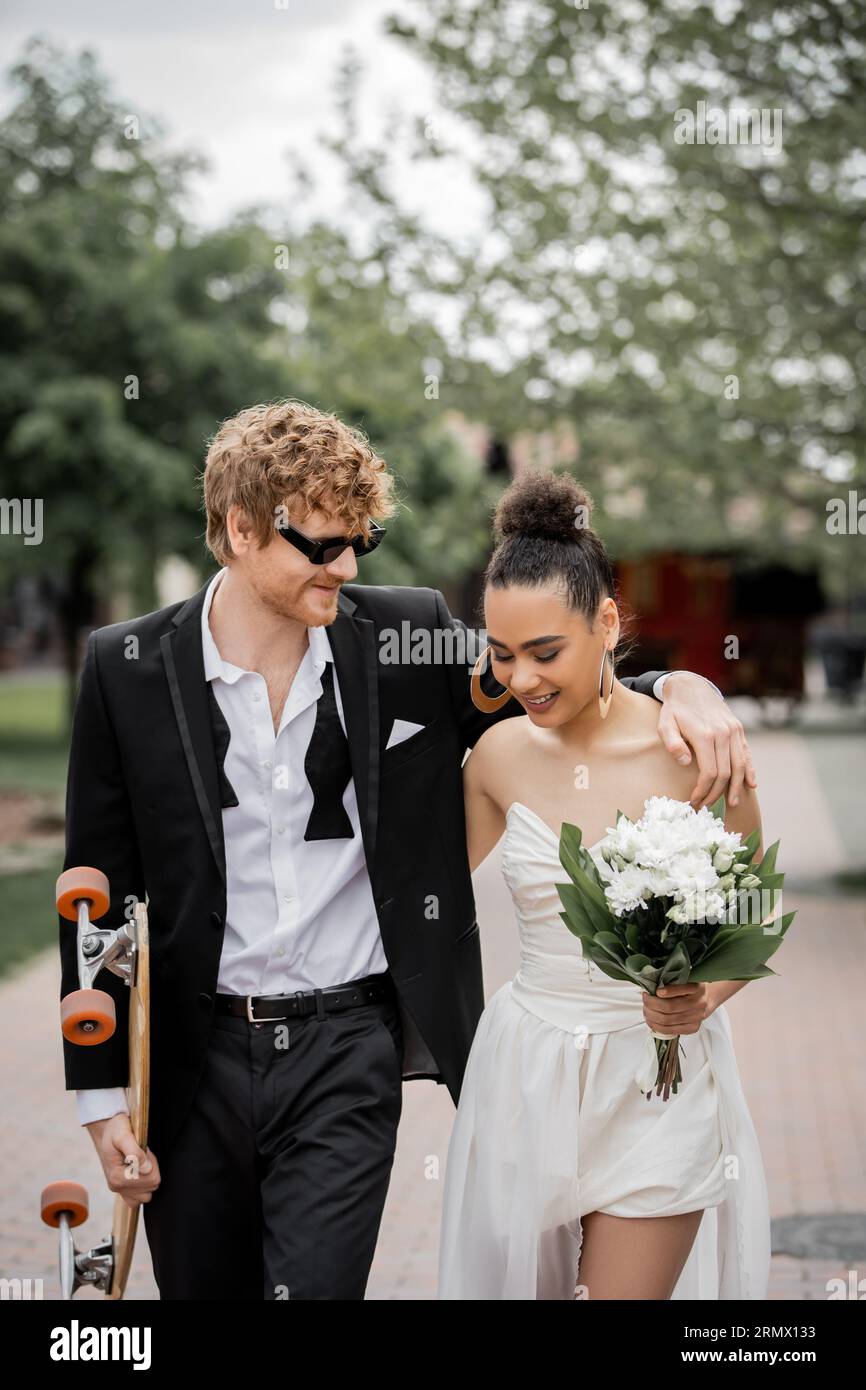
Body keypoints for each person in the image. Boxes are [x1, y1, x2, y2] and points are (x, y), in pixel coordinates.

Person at [60, 398, 755, 1299]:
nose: (345, 566)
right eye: (321, 545)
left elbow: (552, 677)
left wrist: (682, 685)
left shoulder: (405, 635)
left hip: (348, 1050)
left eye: (361, 542)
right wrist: (99, 1101)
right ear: (238, 528)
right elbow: (94, 895)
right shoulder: (125, 669)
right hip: (192, 1061)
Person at [437, 470, 770, 1300]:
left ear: (608, 623)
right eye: (502, 653)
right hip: (527, 1070)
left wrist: (704, 997)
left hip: (659, 1076)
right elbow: (415, 892)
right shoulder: (497, 760)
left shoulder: (700, 751)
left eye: (546, 652)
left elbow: (755, 909)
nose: (522, 679)